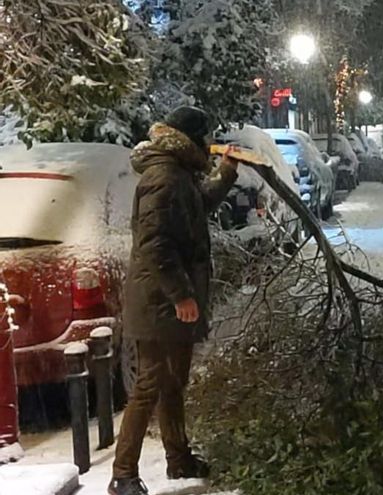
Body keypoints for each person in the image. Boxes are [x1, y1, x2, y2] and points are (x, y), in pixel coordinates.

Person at [109, 106, 240, 495]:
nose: (208, 144)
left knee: (173, 382)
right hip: (158, 301)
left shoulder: (178, 174)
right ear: (191, 139)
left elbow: (197, 205)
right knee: (150, 383)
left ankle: (178, 459)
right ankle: (122, 474)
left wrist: (227, 173)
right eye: (206, 137)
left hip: (167, 299)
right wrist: (181, 294)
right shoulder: (164, 177)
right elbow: (155, 244)